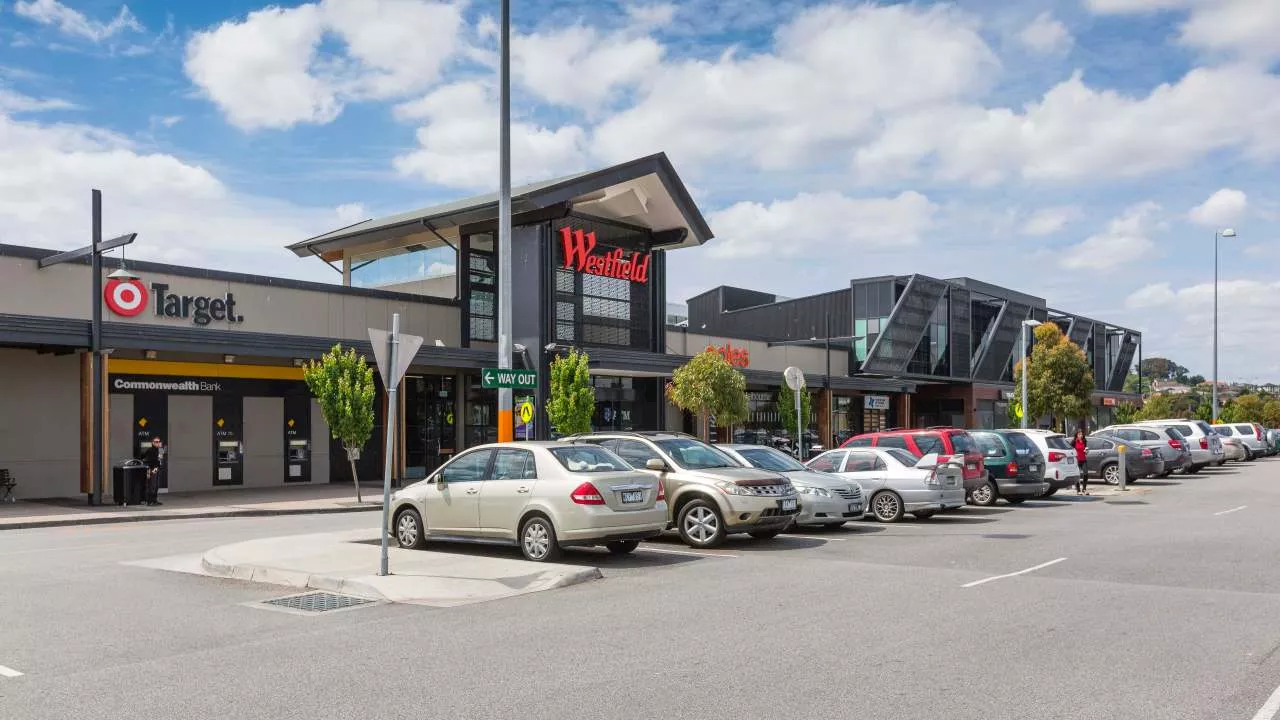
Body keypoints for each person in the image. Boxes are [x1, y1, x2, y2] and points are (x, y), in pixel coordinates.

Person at [139, 436, 165, 506]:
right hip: (152, 469)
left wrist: (159, 462)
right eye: (156, 442)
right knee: (152, 485)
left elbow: (161, 459)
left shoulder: (160, 450)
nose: (158, 443)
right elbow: (148, 459)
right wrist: (153, 467)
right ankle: (149, 501)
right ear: (153, 443)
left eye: (159, 442)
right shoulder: (150, 450)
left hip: (158, 468)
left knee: (156, 485)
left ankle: (154, 500)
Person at [1072, 429, 1089, 495]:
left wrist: (1086, 451)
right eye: (1079, 434)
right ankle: (1078, 490)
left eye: (1081, 434)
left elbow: (1086, 451)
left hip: (1083, 459)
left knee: (1086, 474)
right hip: (1077, 460)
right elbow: (1070, 449)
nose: (1081, 435)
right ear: (1076, 435)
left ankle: (1084, 489)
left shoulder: (1084, 441)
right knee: (1077, 475)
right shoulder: (1074, 442)